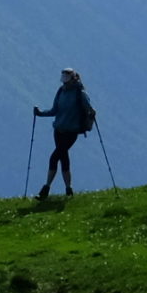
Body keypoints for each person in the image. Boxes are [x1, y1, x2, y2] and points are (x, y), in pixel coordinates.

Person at [33, 67, 95, 199]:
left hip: (71, 132)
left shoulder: (80, 93)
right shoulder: (61, 91)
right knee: (63, 157)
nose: (64, 82)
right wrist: (40, 114)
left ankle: (46, 189)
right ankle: (68, 190)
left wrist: (91, 114)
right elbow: (55, 110)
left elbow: (89, 108)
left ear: (73, 78)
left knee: (55, 157)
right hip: (58, 131)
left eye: (66, 79)